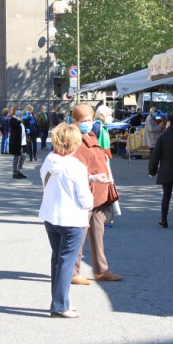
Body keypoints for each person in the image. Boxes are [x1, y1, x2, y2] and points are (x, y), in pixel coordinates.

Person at [39, 123, 93, 318]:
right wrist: (90, 204)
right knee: (66, 262)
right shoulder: (76, 166)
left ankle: (59, 300)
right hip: (71, 218)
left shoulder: (49, 161)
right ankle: (61, 304)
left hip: (50, 215)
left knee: (57, 259)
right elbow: (85, 198)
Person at [71, 104, 122, 285]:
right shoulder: (74, 141)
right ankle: (73, 272)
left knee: (98, 234)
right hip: (85, 195)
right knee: (79, 236)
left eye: (90, 120)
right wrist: (93, 177)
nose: (88, 123)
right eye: (84, 121)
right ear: (75, 121)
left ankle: (101, 270)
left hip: (99, 195)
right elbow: (71, 170)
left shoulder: (91, 135)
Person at [9, 105, 27, 179]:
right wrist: (19, 121)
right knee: (16, 157)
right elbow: (14, 126)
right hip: (16, 141)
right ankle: (15, 172)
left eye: (20, 109)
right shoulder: (13, 119)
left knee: (23, 156)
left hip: (23, 141)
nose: (19, 111)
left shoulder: (19, 119)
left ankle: (19, 170)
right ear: (14, 111)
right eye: (17, 109)